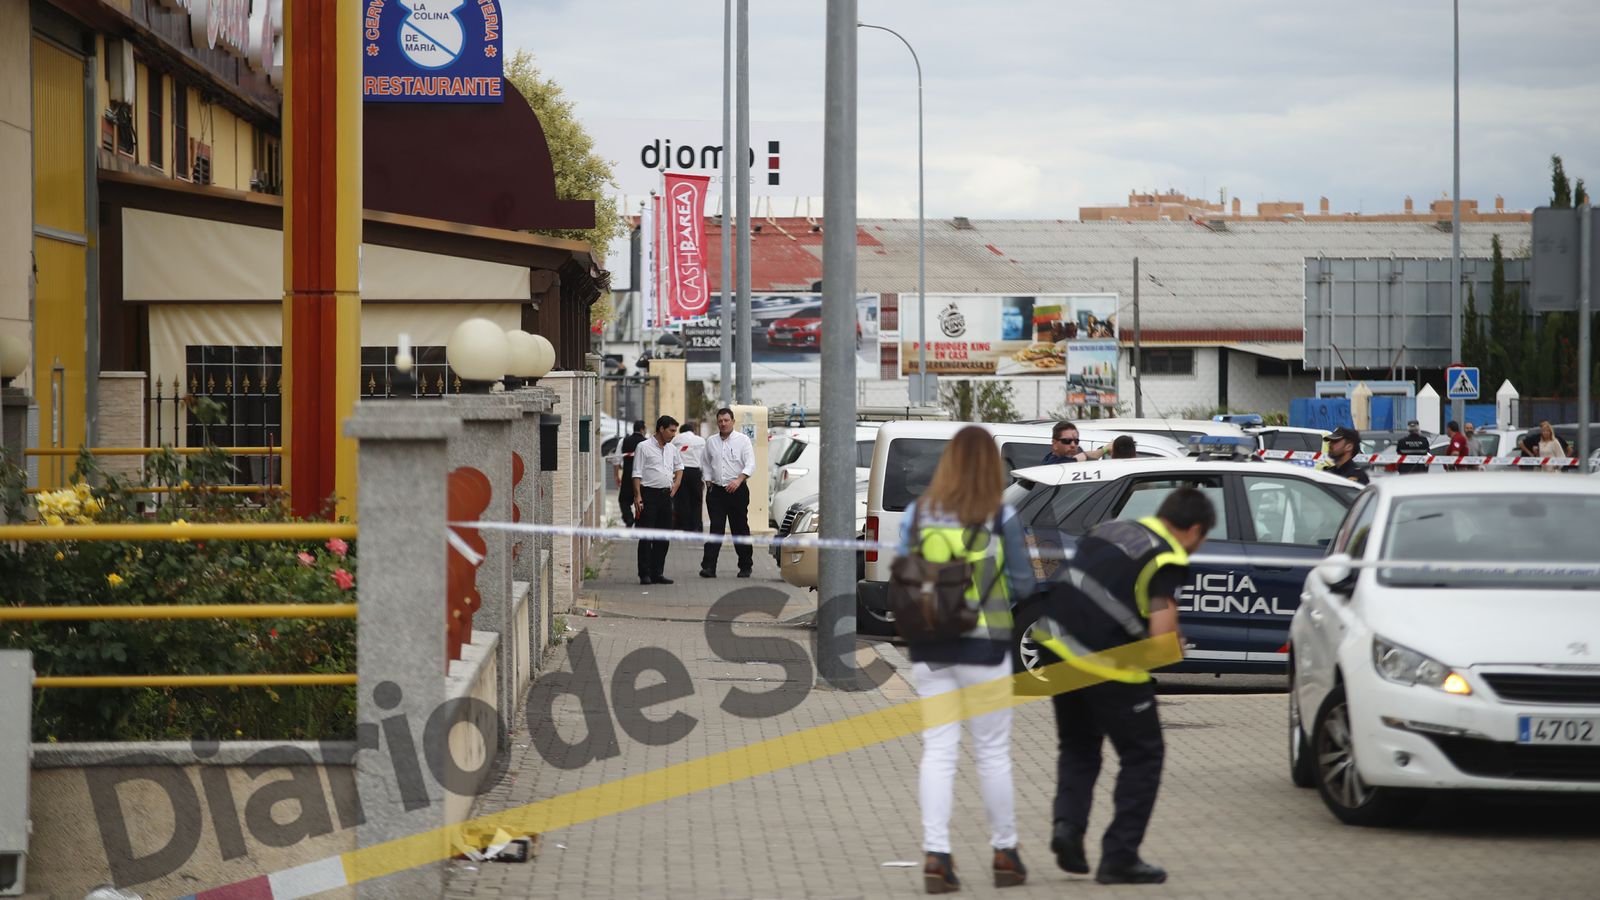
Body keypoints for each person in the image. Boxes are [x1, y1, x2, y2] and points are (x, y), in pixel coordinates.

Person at [1032, 487, 1212, 886]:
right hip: (1106, 662)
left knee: (1079, 747)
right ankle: (1120, 856)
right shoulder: (1166, 555)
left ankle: (1068, 829)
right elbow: (1160, 638)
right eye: (1201, 540)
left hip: (1056, 648)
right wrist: (1174, 647)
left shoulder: (1112, 529)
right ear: (1194, 530)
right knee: (1143, 757)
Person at [896, 426, 1035, 893]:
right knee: (992, 753)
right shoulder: (999, 514)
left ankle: (936, 855)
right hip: (985, 645)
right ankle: (1005, 853)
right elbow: (1025, 584)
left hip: (931, 645)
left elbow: (902, 569)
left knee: (938, 749)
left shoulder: (917, 513)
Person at [700, 407, 756, 579]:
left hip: (737, 491)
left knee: (739, 529)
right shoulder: (711, 441)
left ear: (732, 421)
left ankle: (745, 566)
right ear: (717, 422)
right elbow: (706, 462)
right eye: (720, 421)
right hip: (716, 491)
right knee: (716, 529)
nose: (723, 424)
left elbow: (750, 464)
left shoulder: (743, 440)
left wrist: (738, 480)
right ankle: (709, 567)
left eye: (726, 420)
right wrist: (708, 481)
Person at [632, 416, 683, 585]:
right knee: (647, 536)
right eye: (671, 430)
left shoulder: (672, 449)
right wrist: (638, 496)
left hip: (665, 496)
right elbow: (637, 473)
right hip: (649, 495)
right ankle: (644, 573)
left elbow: (679, 467)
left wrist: (675, 486)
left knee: (663, 536)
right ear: (661, 429)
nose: (673, 434)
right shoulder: (643, 447)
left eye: (675, 431)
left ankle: (657, 572)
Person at [674, 420, 706, 534]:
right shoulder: (701, 440)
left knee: (682, 500)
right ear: (693, 431)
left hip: (681, 472)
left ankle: (683, 525)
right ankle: (697, 526)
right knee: (697, 500)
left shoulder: (676, 439)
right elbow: (704, 459)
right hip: (696, 472)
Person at [617, 420, 647, 527]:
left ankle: (629, 519)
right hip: (643, 477)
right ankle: (640, 523)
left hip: (627, 476)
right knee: (641, 500)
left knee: (623, 500)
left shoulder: (624, 441)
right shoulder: (646, 443)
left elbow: (616, 461)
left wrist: (616, 476)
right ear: (642, 429)